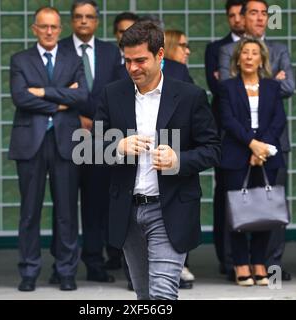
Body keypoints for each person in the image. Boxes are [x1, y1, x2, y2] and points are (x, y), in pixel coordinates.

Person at [93, 21, 220, 300]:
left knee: (163, 295)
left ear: (160, 55)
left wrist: (179, 159)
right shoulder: (112, 94)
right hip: (127, 211)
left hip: (170, 208)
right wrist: (117, 145)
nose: (133, 68)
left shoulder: (189, 96)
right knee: (144, 296)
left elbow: (212, 148)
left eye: (140, 60)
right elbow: (90, 149)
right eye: (127, 61)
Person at [9, 6, 88, 292]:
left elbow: (82, 95)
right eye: (44, 27)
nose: (50, 31)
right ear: (35, 29)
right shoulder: (20, 59)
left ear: (60, 28)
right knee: (30, 212)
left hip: (65, 142)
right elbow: (20, 97)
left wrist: (41, 92)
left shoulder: (73, 58)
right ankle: (29, 271)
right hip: (30, 143)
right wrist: (60, 102)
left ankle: (66, 271)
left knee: (67, 211)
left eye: (54, 26)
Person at [218, 0, 294, 281]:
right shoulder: (227, 88)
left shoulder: (273, 87)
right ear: (238, 59)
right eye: (245, 53)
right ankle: (240, 264)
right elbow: (228, 121)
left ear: (262, 59)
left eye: (254, 53)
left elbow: (277, 120)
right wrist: (252, 144)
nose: (249, 57)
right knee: (238, 210)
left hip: (268, 153)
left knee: (264, 209)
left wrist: (262, 147)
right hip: (237, 154)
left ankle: (260, 264)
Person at [58, 0, 121, 283]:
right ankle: (62, 266)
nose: (84, 21)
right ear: (72, 21)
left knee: (96, 203)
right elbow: (55, 91)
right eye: (79, 17)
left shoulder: (111, 51)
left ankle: (95, 264)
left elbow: (118, 91)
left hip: (101, 137)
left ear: (96, 21)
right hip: (67, 135)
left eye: (89, 17)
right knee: (64, 204)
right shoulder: (59, 49)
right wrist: (76, 117)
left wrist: (96, 122)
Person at [204, 0, 245, 276]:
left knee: (259, 195)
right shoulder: (215, 49)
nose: (237, 20)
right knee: (226, 194)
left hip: (260, 133)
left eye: (241, 14)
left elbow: (276, 86)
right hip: (226, 132)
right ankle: (228, 258)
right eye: (231, 15)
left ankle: (259, 260)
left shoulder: (266, 47)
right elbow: (217, 87)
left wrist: (231, 79)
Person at [163, 28, 196, 288]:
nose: (187, 50)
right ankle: (177, 268)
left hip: (174, 152)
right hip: (170, 152)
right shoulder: (178, 71)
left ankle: (177, 267)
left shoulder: (180, 73)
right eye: (183, 45)